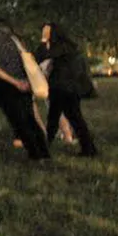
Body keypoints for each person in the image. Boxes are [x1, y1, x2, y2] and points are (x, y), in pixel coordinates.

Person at [0, 12, 50, 161]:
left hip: (4, 84)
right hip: (24, 79)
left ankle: (35, 155)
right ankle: (44, 153)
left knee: (18, 121)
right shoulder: (10, 36)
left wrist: (13, 82)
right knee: (30, 119)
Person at [35, 22, 99, 157]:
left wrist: (43, 40)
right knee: (73, 118)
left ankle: (43, 149)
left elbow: (39, 56)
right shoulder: (70, 47)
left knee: (57, 119)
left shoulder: (58, 48)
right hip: (71, 88)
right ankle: (88, 148)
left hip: (61, 88)